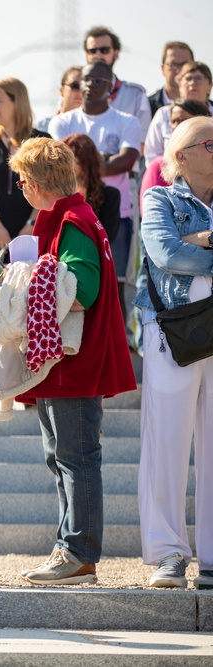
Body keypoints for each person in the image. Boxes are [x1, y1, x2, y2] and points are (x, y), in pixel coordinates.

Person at [7, 138, 135, 585]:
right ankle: (69, 548)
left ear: (37, 183)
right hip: (62, 359)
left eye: (21, 180)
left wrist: (31, 277)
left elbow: (82, 289)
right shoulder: (68, 217)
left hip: (72, 362)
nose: (19, 187)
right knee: (62, 456)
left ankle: (79, 553)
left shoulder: (74, 221)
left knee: (75, 457)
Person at [133, 116, 213, 591]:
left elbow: (183, 250)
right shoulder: (159, 197)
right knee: (166, 444)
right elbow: (165, 252)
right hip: (172, 333)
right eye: (211, 143)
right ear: (181, 156)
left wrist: (199, 241)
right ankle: (167, 554)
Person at [0, 78, 48, 411]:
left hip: (33, 232)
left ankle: (26, 384)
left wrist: (29, 225)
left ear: (17, 101)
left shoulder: (40, 140)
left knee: (28, 304)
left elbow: (46, 183)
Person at [50, 60, 143, 325]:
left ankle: (116, 345)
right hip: (69, 214)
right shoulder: (63, 121)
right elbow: (60, 166)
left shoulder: (126, 121)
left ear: (111, 85)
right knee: (70, 281)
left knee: (114, 284)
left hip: (116, 213)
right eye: (85, 81)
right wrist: (104, 160)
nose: (90, 86)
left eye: (98, 80)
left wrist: (85, 163)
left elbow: (126, 161)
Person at [83, 26, 152, 138]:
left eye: (104, 50)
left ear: (116, 53)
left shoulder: (135, 94)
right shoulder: (75, 90)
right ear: (86, 55)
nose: (98, 55)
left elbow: (142, 141)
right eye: (92, 51)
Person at [144, 62, 213, 166]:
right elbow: (152, 155)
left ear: (210, 85)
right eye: (188, 79)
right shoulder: (164, 114)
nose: (192, 83)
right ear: (179, 85)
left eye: (199, 78)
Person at [140, 100, 212, 196]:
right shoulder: (159, 166)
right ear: (180, 156)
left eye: (183, 120)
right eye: (174, 121)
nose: (177, 126)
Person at [63, 134, 121, 243]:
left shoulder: (110, 195)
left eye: (71, 159)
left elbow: (106, 237)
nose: (65, 166)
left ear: (86, 160)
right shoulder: (58, 195)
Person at [148, 41, 194, 117]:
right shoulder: (146, 106)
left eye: (184, 65)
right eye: (173, 64)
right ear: (162, 69)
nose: (179, 70)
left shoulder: (209, 108)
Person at [35, 67, 84, 134]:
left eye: (85, 86)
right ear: (61, 91)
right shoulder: (41, 128)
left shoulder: (95, 129)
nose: (80, 91)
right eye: (75, 86)